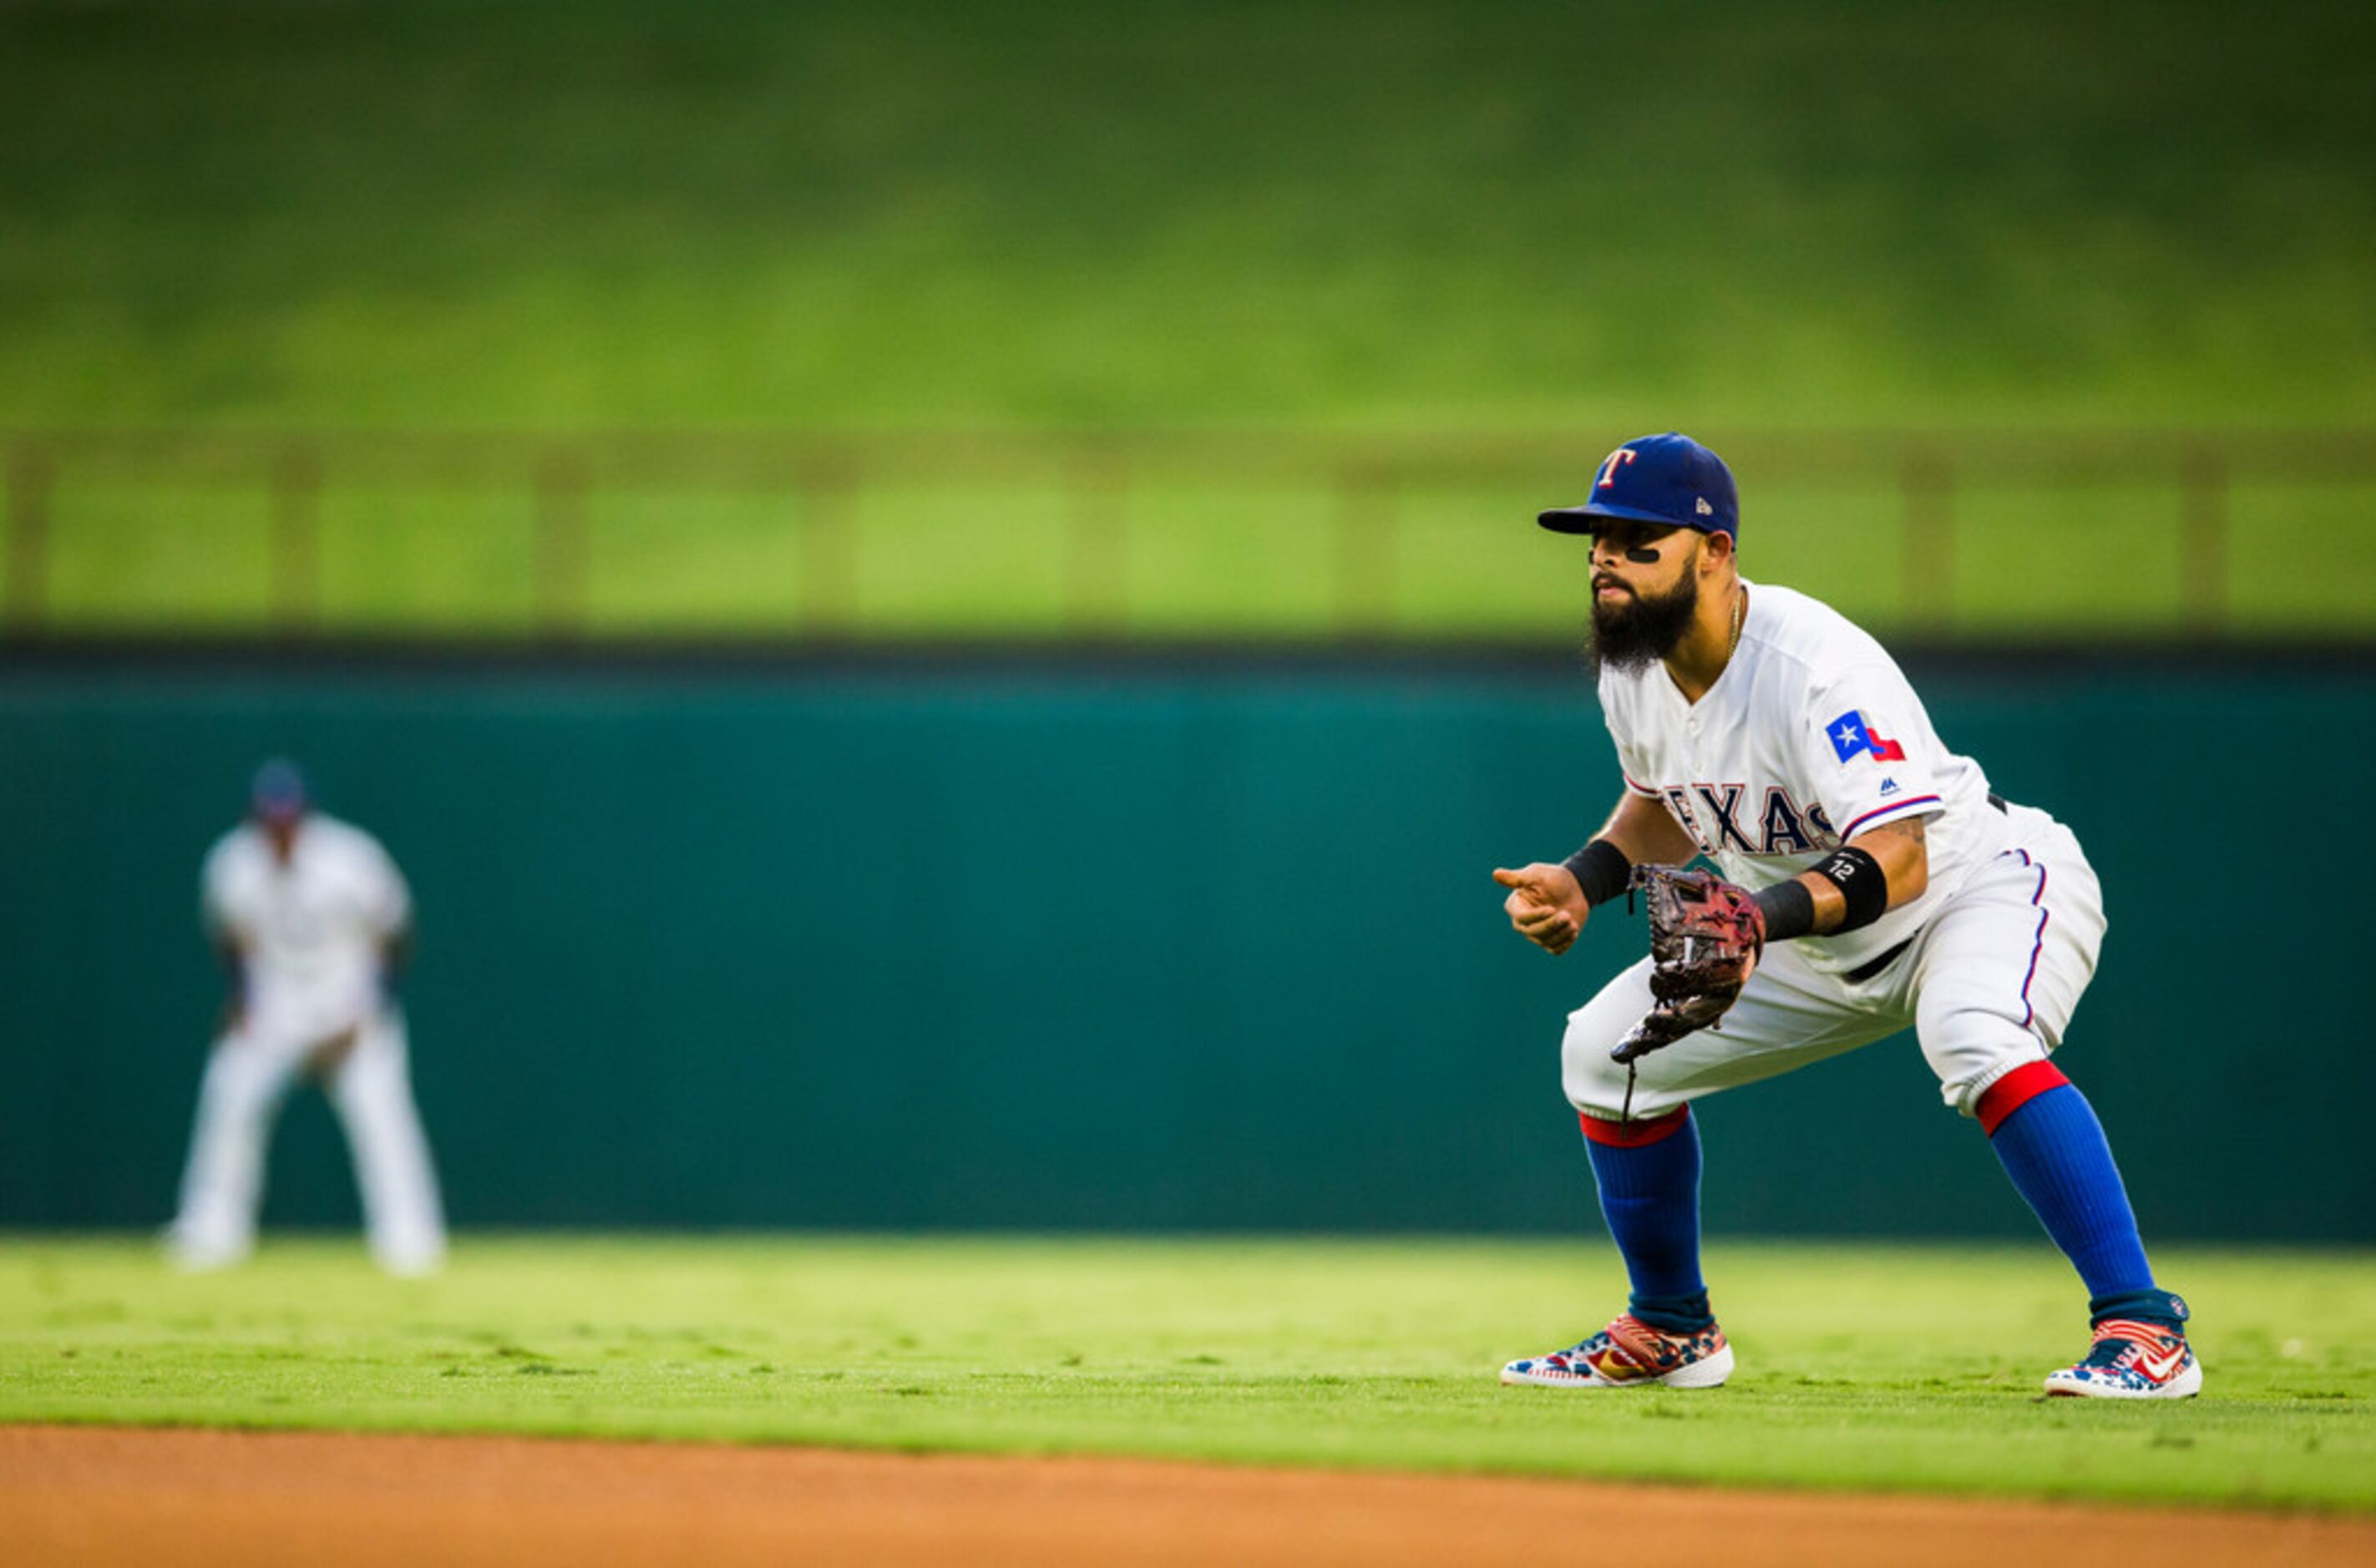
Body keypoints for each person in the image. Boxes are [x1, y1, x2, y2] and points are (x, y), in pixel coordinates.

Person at [1490, 432, 2196, 1399]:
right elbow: (1663, 800)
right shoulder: (1632, 665)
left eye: (1638, 539)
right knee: (1603, 1055)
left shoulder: (1814, 666)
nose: (1607, 560)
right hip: (1807, 931)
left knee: (1972, 1035)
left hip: (1971, 890)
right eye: (1596, 539)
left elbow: (1898, 857)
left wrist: (1752, 920)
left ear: (1717, 552)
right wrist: (1583, 879)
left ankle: (2144, 1328)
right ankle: (1671, 1328)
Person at [166, 760, 446, 1276]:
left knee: (383, 1121)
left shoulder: (351, 858)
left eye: (288, 817)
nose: (280, 828)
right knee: (229, 1099)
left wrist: (372, 1006)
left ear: (306, 815)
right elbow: (231, 941)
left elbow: (397, 932)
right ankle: (211, 1229)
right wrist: (242, 1001)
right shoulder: (233, 864)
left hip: (351, 1013)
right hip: (275, 1014)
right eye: (270, 818)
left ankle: (410, 1239)